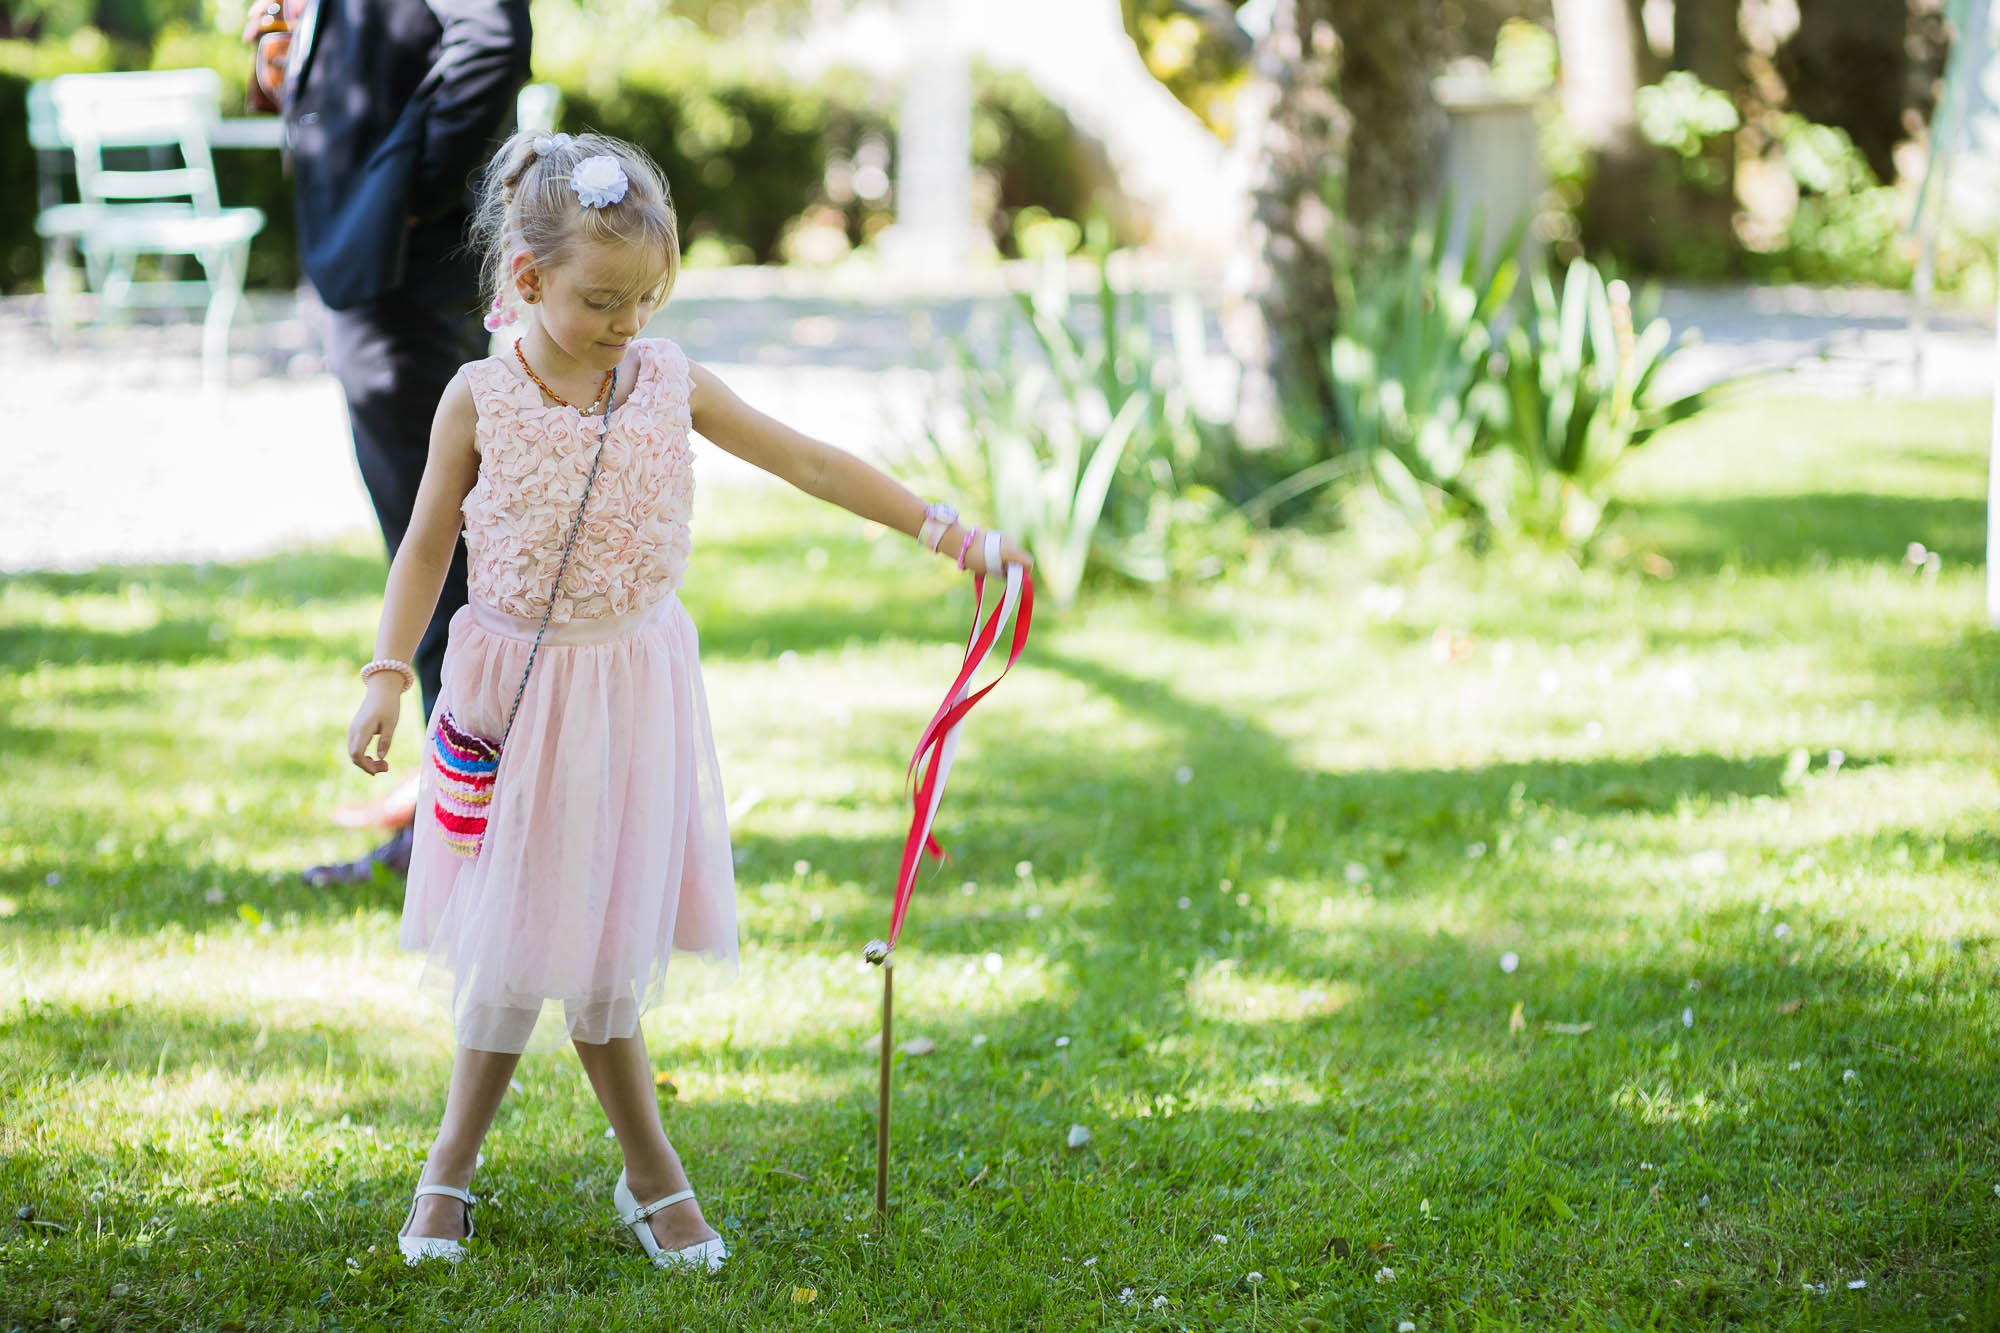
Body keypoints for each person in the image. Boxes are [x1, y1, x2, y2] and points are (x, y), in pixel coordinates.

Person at [343, 130, 1031, 1270]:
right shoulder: (478, 399)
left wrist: (944, 530)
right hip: (518, 695)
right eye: (603, 301)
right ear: (528, 281)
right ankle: (558, 1173)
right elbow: (423, 548)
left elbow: (806, 459)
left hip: (633, 690)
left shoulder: (668, 381)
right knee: (519, 932)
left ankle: (550, 1172)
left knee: (596, 938)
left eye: (646, 300)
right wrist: (381, 675)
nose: (627, 325)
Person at [276, 0, 533, 885]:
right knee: (428, 542)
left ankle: (472, 827)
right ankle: (468, 812)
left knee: (444, 558)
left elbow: (491, 41)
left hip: (405, 273)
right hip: (370, 262)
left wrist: (412, 199)